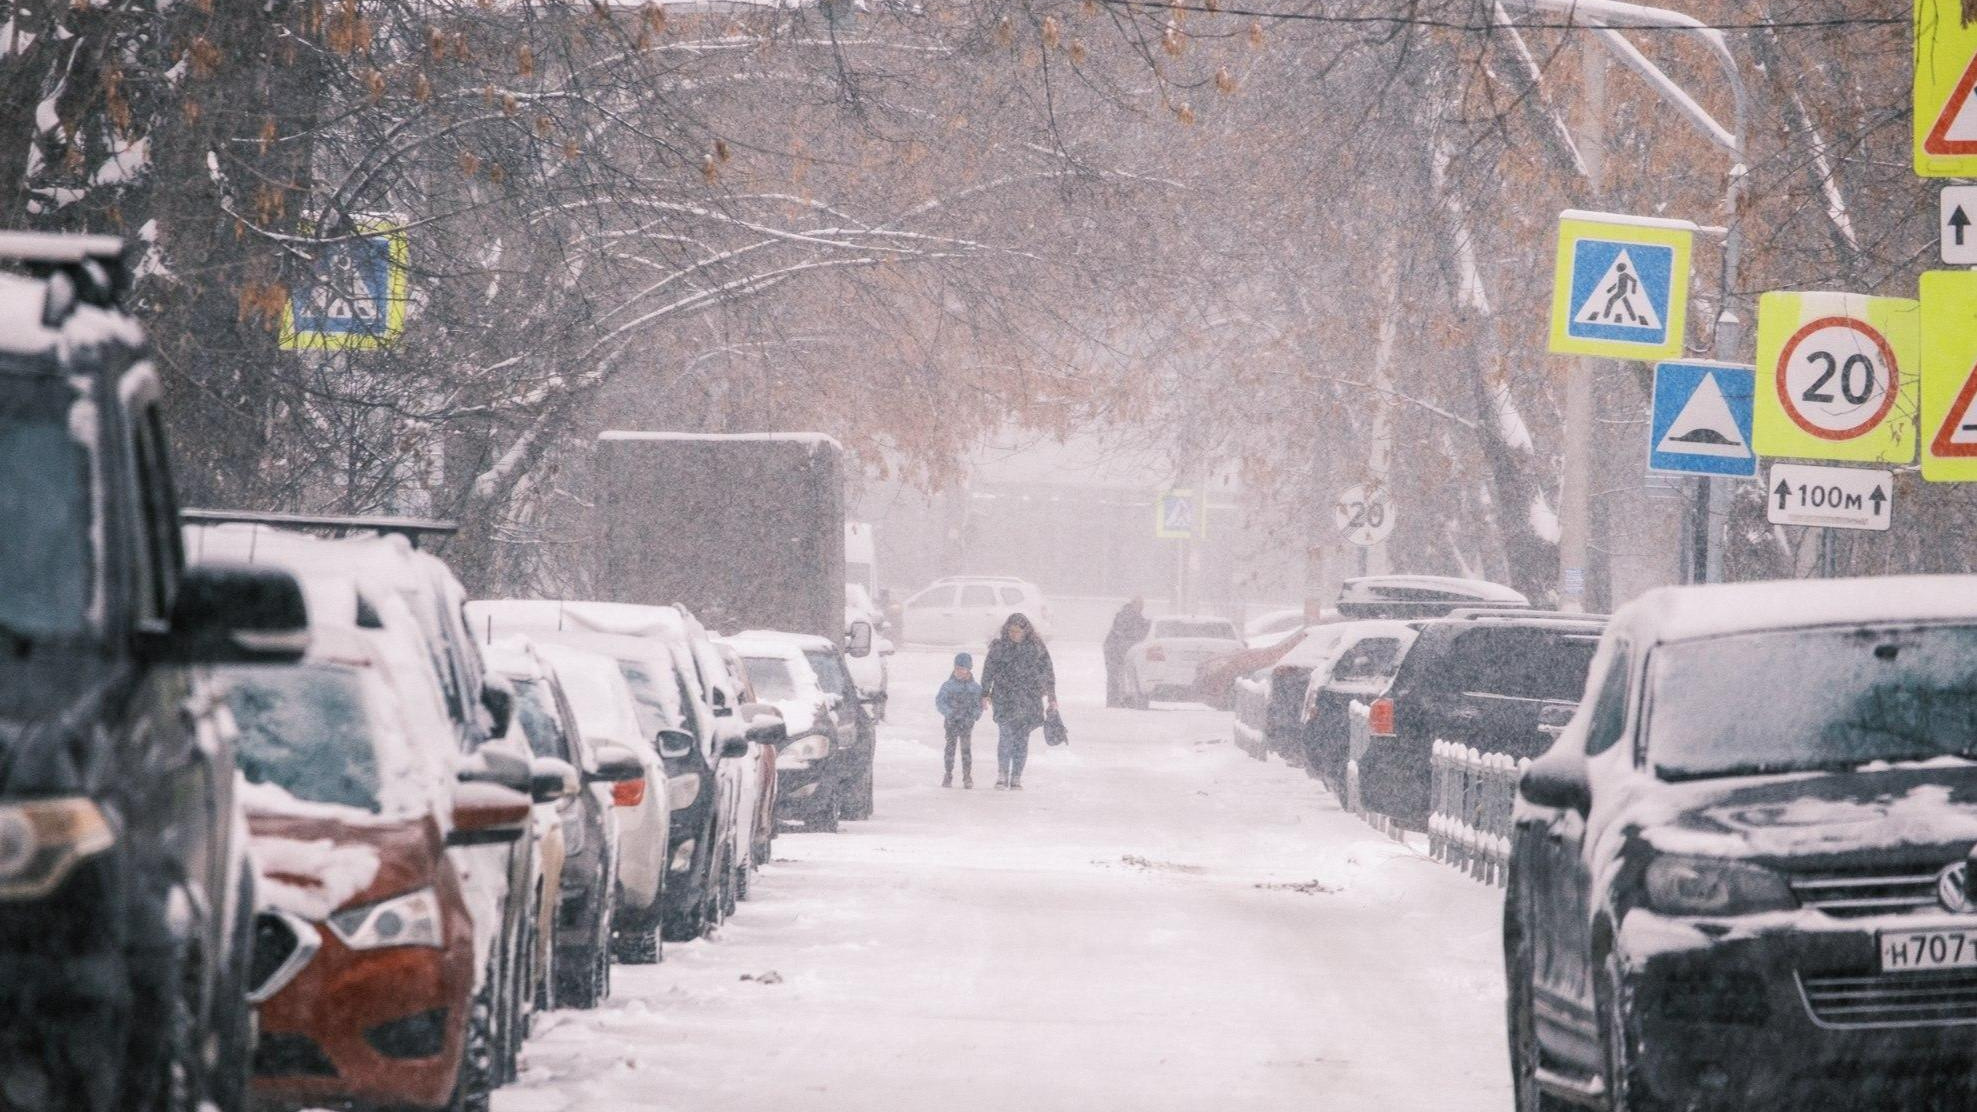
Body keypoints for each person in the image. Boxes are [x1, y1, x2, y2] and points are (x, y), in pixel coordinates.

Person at [979, 613, 1056, 790]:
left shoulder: (1036, 648)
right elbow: (988, 671)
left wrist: (1052, 697)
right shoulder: (999, 647)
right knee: (1005, 736)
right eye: (1011, 631)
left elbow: (1048, 673)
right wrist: (985, 693)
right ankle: (1002, 774)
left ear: (1025, 631)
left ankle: (1016, 777)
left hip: (1029, 699)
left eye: (1018, 631)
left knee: (1022, 739)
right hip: (1004, 698)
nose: (1014, 635)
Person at [934, 652, 983, 789]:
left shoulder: (975, 688)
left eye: (963, 668)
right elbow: (940, 702)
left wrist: (973, 715)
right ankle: (948, 773)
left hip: (967, 723)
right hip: (951, 722)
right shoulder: (948, 686)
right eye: (957, 668)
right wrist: (950, 713)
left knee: (966, 749)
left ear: (969, 669)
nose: (960, 671)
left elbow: (978, 705)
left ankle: (967, 775)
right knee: (950, 748)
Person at [1102, 597, 1151, 707]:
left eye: (1142, 606)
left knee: (1120, 676)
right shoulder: (1126, 615)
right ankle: (1114, 701)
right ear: (1133, 604)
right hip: (1113, 649)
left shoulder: (1134, 616)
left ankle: (1118, 700)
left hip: (1120, 649)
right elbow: (1126, 633)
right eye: (1140, 605)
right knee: (1115, 675)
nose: (1142, 608)